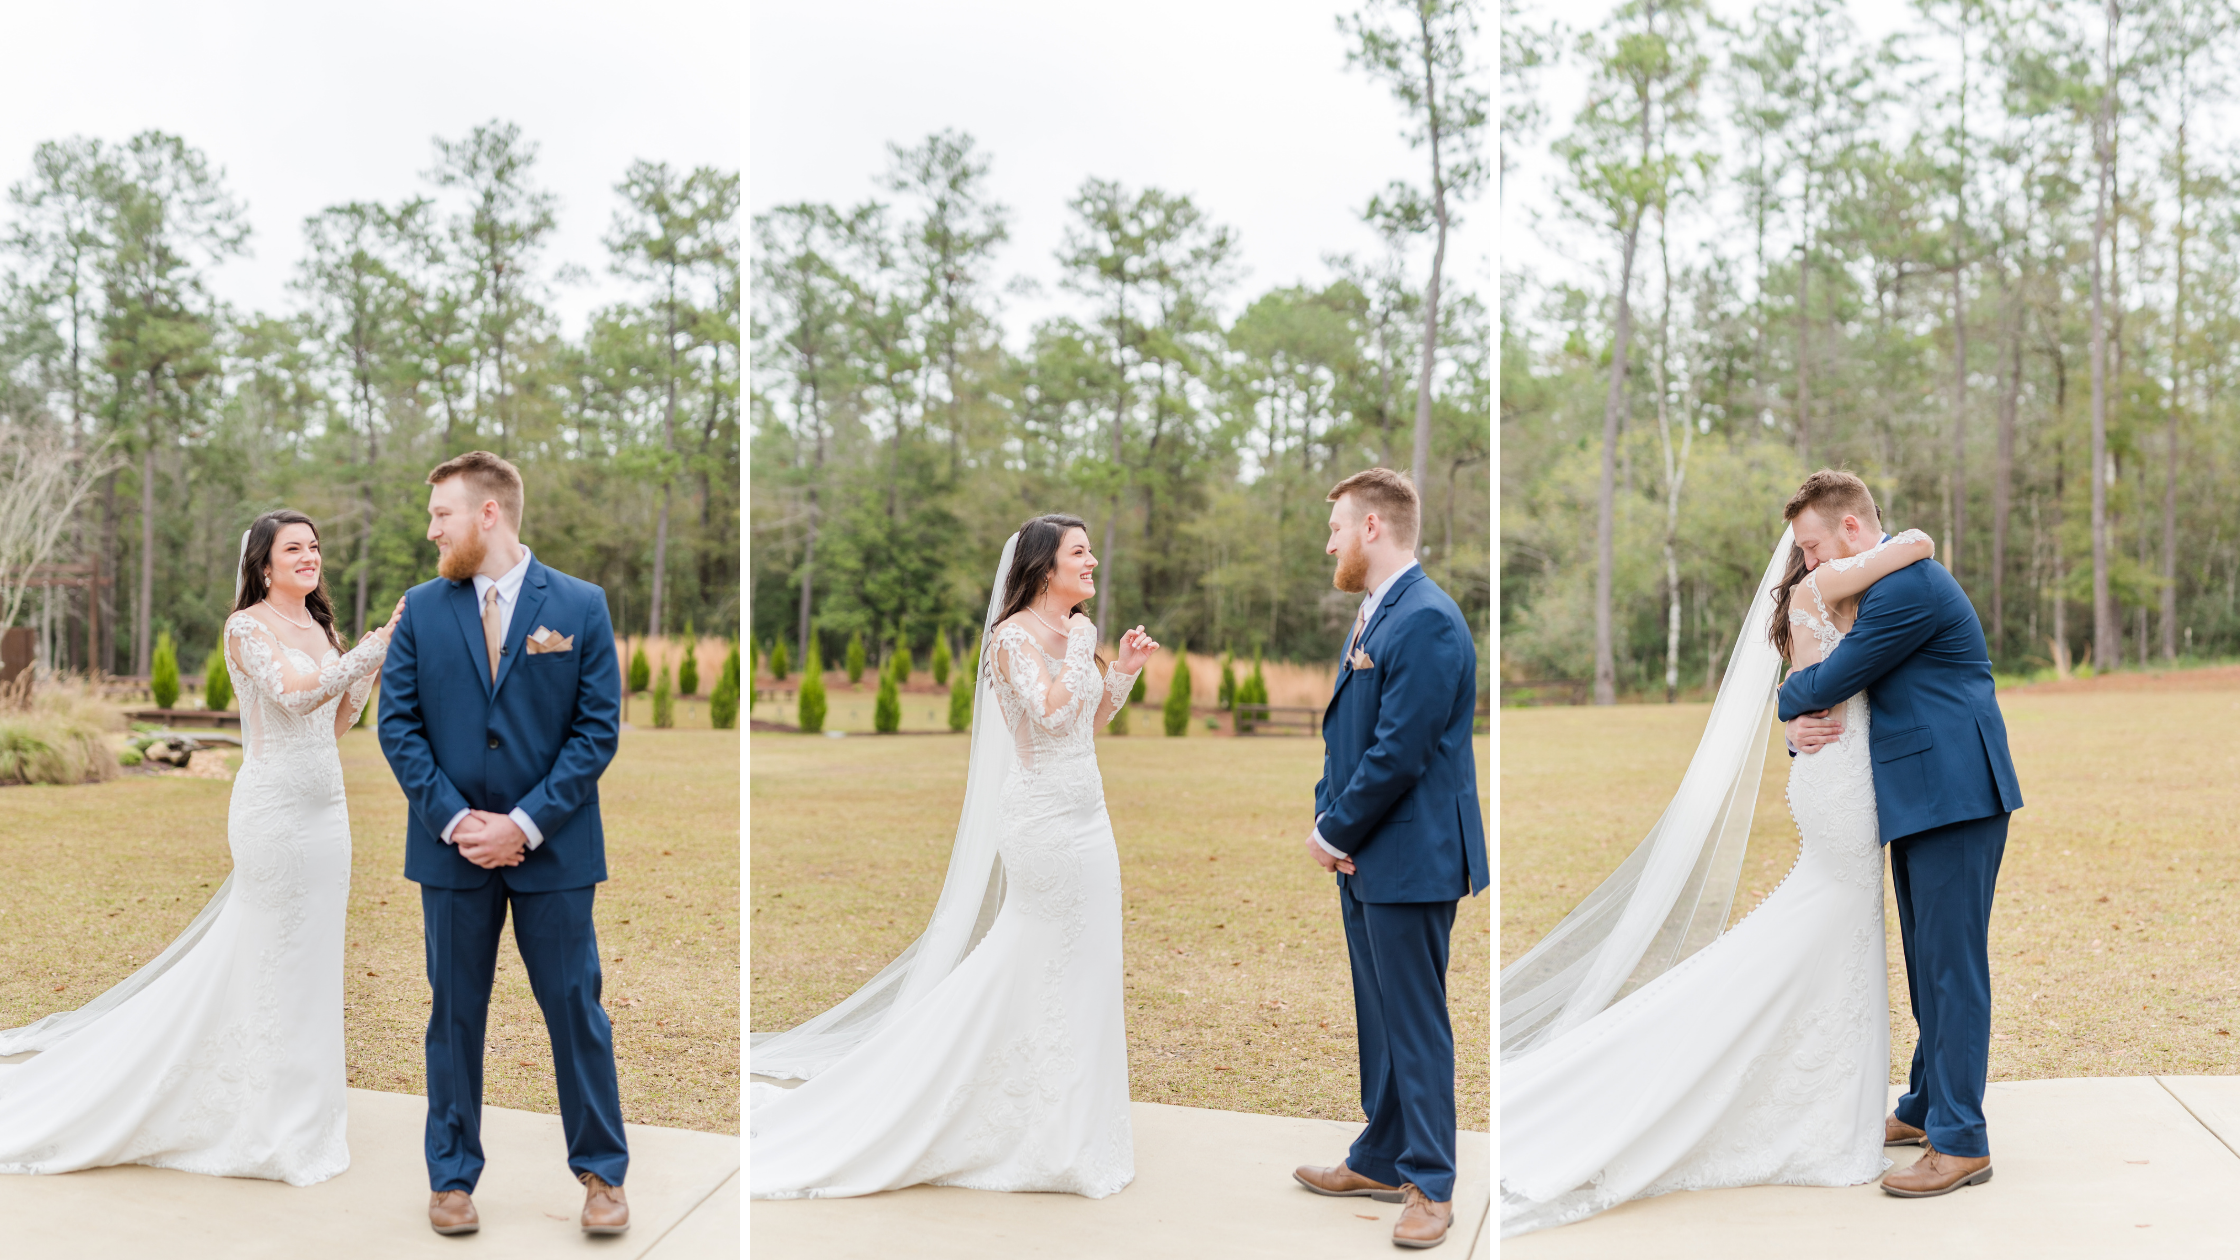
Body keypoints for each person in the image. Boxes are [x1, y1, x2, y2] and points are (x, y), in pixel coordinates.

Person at [1499, 469, 2008, 1238]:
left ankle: (1962, 1143)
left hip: (1955, 794)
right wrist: (1799, 714)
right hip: (1920, 796)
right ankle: (1926, 1106)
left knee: (1950, 964)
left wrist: (1788, 705)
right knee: (1929, 956)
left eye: (1811, 545)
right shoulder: (1883, 573)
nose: (1803, 563)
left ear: (1852, 529)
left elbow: (1832, 680)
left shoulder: (1906, 585)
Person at [749, 513, 1159, 1200]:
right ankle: (945, 1089)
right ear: (1044, 566)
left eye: (1090, 553)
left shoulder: (1071, 634)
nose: (1092, 564)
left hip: (1091, 823)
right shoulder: (1011, 639)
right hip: (1041, 828)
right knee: (1024, 956)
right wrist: (1087, 643)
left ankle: (1067, 1117)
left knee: (1087, 964)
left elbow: (1088, 722)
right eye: (1079, 553)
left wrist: (1121, 671)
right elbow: (1050, 714)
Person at [0, 510, 396, 1185]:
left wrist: (359, 670)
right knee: (271, 954)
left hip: (327, 813)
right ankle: (260, 1118)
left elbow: (333, 722)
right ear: (264, 566)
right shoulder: (245, 628)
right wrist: (374, 649)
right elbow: (294, 697)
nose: (310, 557)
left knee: (312, 959)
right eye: (293, 548)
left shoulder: (321, 628)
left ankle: (303, 1105)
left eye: (315, 547)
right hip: (272, 815)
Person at [378, 451, 629, 1236]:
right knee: (454, 1014)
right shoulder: (420, 609)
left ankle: (602, 1176)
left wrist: (522, 824)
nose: (431, 532)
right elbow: (399, 727)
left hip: (553, 853)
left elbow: (596, 732)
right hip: (449, 853)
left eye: (440, 515)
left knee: (574, 1010)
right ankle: (450, 1179)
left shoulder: (581, 606)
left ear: (488, 514)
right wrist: (458, 822)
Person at [1291, 468, 1488, 1251]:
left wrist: (1333, 832)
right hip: (1367, 851)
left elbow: (1400, 751)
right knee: (1379, 1015)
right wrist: (1329, 817)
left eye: (1337, 526)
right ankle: (1378, 1156)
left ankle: (1431, 1185)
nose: (1330, 541)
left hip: (1409, 851)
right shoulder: (1377, 612)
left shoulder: (1429, 619)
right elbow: (1349, 735)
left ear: (1372, 527)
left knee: (1414, 1021)